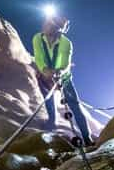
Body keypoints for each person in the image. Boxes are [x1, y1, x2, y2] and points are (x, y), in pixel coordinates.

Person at [32, 14, 93, 145]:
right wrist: (44, 70)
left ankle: (87, 139)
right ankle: (52, 123)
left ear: (58, 29)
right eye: (46, 22)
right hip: (44, 76)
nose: (45, 25)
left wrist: (58, 72)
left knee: (75, 107)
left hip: (63, 79)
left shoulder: (66, 43)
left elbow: (65, 64)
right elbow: (38, 56)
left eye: (50, 24)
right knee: (48, 102)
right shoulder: (37, 38)